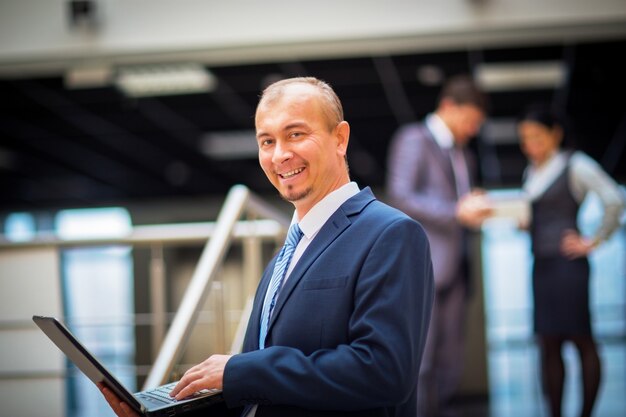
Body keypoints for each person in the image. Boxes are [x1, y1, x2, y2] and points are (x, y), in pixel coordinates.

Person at [99, 76, 435, 417]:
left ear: (340, 138)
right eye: (267, 141)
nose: (280, 155)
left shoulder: (391, 234)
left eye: (295, 134)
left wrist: (240, 371)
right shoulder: (284, 256)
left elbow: (383, 371)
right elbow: (263, 398)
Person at [385, 74, 492, 417]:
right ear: (449, 107)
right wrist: (456, 211)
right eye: (470, 120)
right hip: (424, 266)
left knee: (450, 358)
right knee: (423, 358)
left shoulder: (463, 155)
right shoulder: (414, 138)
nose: (473, 129)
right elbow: (400, 196)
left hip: (457, 267)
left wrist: (470, 204)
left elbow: (457, 206)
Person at [517, 104, 625, 417]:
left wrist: (594, 240)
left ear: (556, 134)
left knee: (580, 337)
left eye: (536, 137)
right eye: (525, 139)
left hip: (569, 266)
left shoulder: (575, 164)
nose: (530, 145)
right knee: (548, 341)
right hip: (542, 265)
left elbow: (615, 199)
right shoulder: (531, 172)